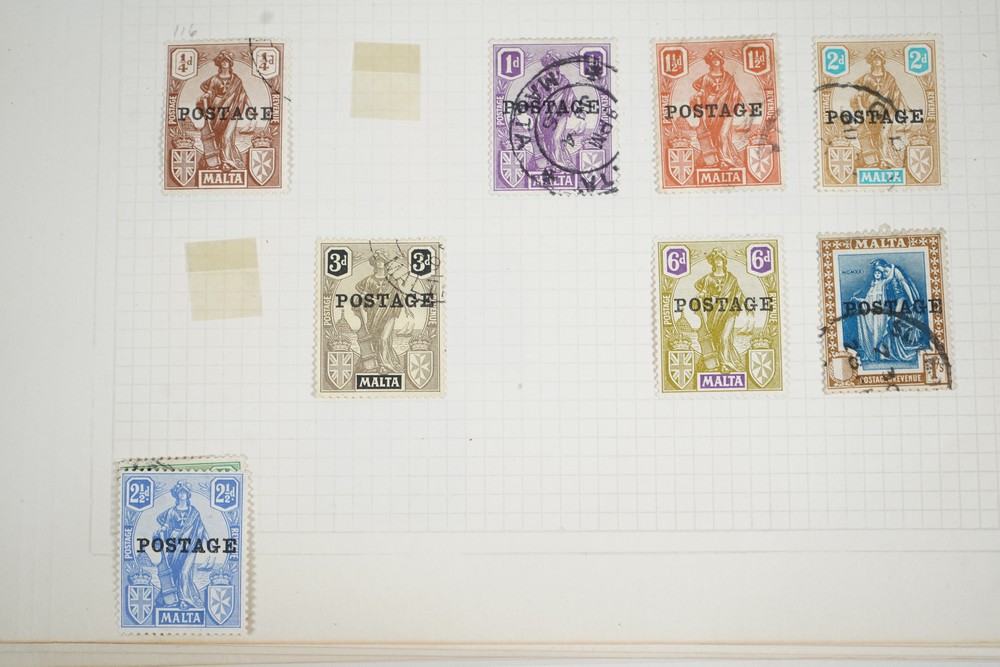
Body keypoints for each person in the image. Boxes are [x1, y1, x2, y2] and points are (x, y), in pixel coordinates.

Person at [852, 258, 924, 363]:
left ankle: (897, 351)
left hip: (898, 299)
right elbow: (869, 299)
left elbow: (903, 284)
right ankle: (885, 353)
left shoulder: (890, 275)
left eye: (879, 269)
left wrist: (912, 301)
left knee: (893, 323)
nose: (879, 272)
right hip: (888, 304)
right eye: (876, 271)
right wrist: (858, 300)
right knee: (887, 327)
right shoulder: (876, 284)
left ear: (884, 266)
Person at [352, 250, 412, 373]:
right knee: (374, 338)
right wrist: (362, 298)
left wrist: (406, 308)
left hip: (389, 313)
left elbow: (399, 295)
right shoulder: (369, 280)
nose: (380, 263)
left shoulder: (392, 280)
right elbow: (362, 291)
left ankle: (386, 364)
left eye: (382, 261)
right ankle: (375, 364)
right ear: (374, 264)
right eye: (378, 260)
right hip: (373, 313)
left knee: (384, 339)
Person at [154, 481, 207, 609]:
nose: (182, 494)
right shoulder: (172, 511)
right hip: (174, 544)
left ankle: (185, 599)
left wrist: (209, 541)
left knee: (184, 572)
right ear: (176, 495)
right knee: (173, 571)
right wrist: (162, 529)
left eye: (184, 492)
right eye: (180, 492)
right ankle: (173, 599)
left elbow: (201, 528)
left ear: (188, 495)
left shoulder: (194, 513)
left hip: (190, 545)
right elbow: (166, 524)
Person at [689, 48, 745, 169]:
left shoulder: (728, 78)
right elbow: (702, 89)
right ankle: (714, 159)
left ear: (721, 61)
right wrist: (698, 94)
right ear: (710, 62)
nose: (715, 61)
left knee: (723, 134)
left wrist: (744, 105)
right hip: (711, 108)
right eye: (713, 59)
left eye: (717, 59)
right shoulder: (706, 77)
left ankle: (726, 159)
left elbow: (736, 92)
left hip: (726, 109)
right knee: (712, 134)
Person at [850, 48, 906, 168]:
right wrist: (862, 108)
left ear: (882, 61)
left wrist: (906, 106)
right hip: (871, 112)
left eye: (879, 59)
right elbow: (859, 94)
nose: (876, 61)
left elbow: (897, 93)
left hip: (887, 111)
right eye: (874, 59)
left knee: (884, 134)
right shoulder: (866, 78)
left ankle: (885, 158)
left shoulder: (889, 78)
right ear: (871, 61)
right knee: (873, 136)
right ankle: (876, 160)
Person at [693, 248, 745, 372]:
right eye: (716, 259)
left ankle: (726, 363)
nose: (718, 261)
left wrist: (741, 305)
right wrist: (701, 295)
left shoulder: (731, 279)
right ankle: (716, 362)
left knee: (725, 338)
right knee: (715, 337)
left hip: (729, 312)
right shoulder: (708, 278)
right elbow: (703, 289)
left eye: (720, 259)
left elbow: (738, 294)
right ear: (713, 262)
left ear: (724, 261)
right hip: (713, 312)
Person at [197, 50, 249, 171]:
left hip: (232, 110)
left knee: (226, 137)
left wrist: (250, 107)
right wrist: (205, 95)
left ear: (230, 64)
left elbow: (243, 95)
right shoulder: (215, 79)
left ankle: (227, 161)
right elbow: (210, 91)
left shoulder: (236, 80)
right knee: (216, 136)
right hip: (216, 108)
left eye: (227, 61)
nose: (225, 63)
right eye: (223, 61)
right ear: (219, 63)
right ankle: (217, 161)